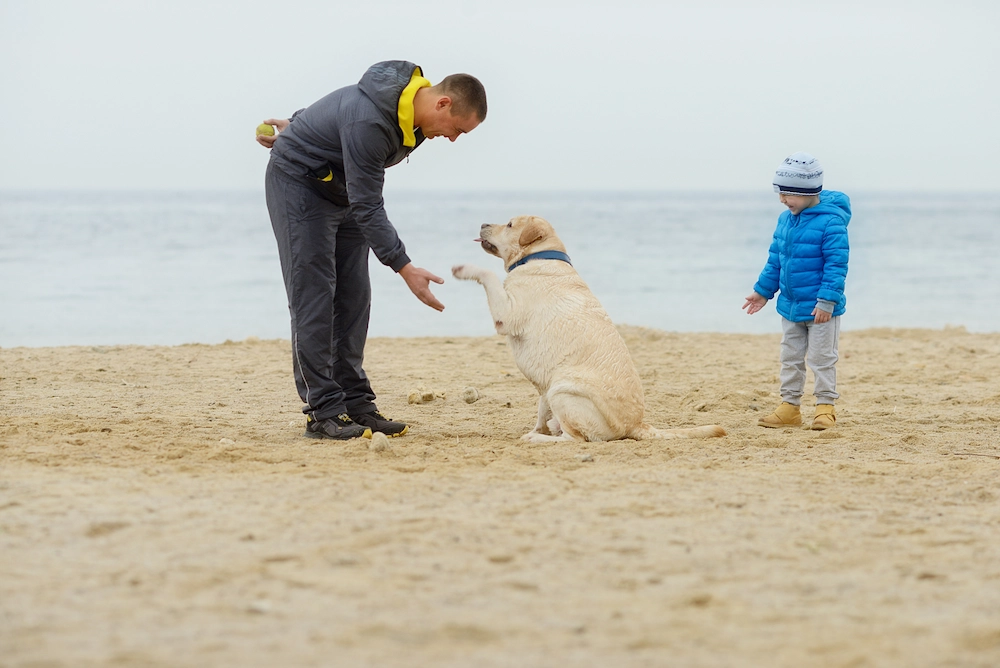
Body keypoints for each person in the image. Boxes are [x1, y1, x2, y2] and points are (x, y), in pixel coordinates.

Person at [257, 60, 487, 440]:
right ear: (443, 104)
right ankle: (324, 412)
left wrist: (299, 121)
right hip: (298, 184)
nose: (453, 139)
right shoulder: (373, 122)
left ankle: (356, 404)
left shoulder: (411, 114)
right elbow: (368, 202)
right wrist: (405, 266)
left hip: (341, 189)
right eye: (457, 130)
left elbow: (339, 111)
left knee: (353, 298)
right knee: (314, 295)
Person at [742, 152, 851, 430]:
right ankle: (789, 407)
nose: (782, 200)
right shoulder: (786, 220)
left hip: (820, 309)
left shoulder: (831, 221)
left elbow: (837, 264)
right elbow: (776, 258)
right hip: (791, 306)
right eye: (780, 193)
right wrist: (763, 291)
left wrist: (827, 300)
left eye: (788, 194)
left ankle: (825, 408)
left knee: (821, 359)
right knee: (790, 357)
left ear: (808, 192)